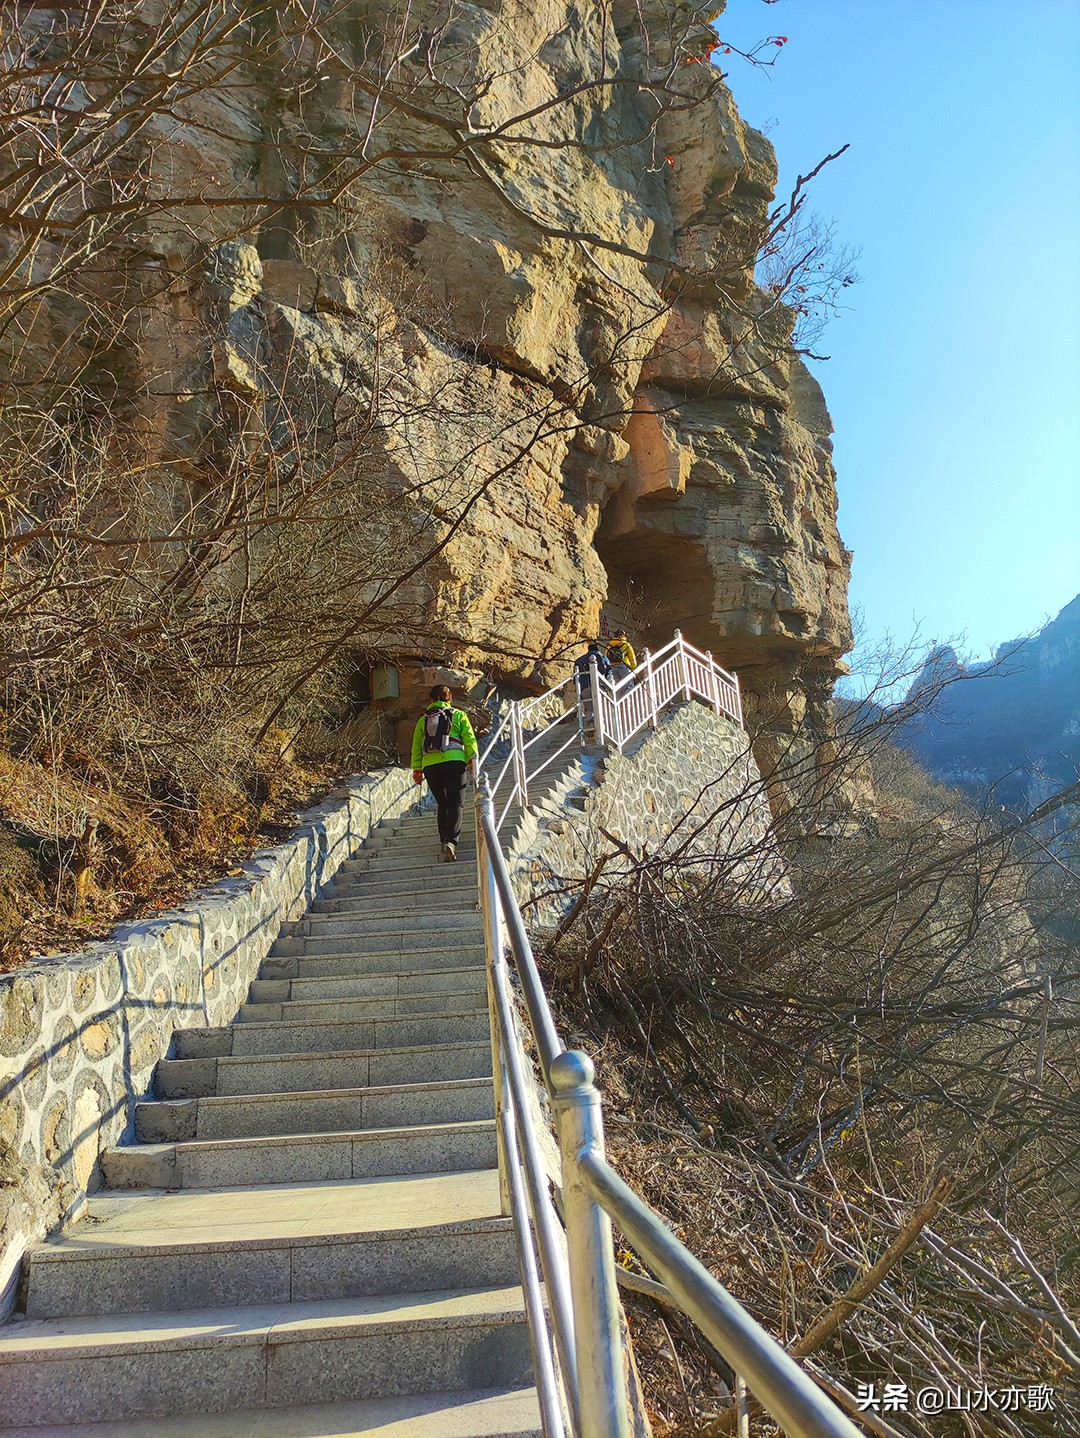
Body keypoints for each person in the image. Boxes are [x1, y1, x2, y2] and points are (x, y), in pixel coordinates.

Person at [410, 685, 478, 861]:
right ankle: (451, 841)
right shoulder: (459, 715)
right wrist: (472, 759)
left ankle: (443, 839)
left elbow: (417, 746)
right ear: (450, 699)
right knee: (456, 802)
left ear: (431, 700)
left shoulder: (423, 720)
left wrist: (417, 769)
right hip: (454, 761)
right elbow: (469, 738)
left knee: (443, 803)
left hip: (430, 765)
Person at [572, 642, 611, 730]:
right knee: (601, 707)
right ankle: (602, 726)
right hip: (599, 685)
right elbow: (607, 670)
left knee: (589, 708)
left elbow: (575, 678)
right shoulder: (601, 656)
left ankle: (590, 724)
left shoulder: (579, 660)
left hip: (584, 687)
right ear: (597, 649)